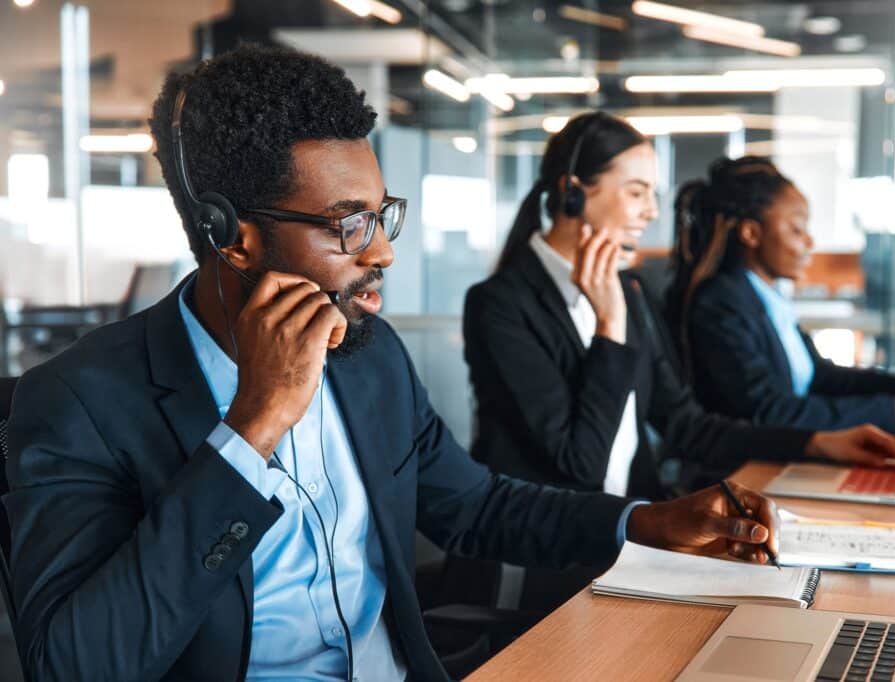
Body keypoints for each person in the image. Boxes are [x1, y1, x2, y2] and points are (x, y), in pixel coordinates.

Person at [4, 47, 792, 682]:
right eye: (348, 225)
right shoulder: (79, 403)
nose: (382, 250)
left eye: (381, 216)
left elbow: (478, 507)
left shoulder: (367, 361)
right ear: (232, 236)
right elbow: (76, 662)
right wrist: (251, 430)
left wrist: (647, 521)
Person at [464, 113, 895, 505]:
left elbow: (686, 424)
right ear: (573, 192)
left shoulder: (629, 290)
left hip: (629, 534)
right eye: (637, 193)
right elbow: (580, 463)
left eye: (653, 195)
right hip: (545, 569)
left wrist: (818, 443)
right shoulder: (500, 306)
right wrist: (609, 327)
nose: (651, 211)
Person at [668, 156, 895, 433]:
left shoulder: (765, 298)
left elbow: (820, 378)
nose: (809, 243)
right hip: (744, 472)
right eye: (796, 229)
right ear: (751, 233)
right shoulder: (719, 304)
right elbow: (767, 412)